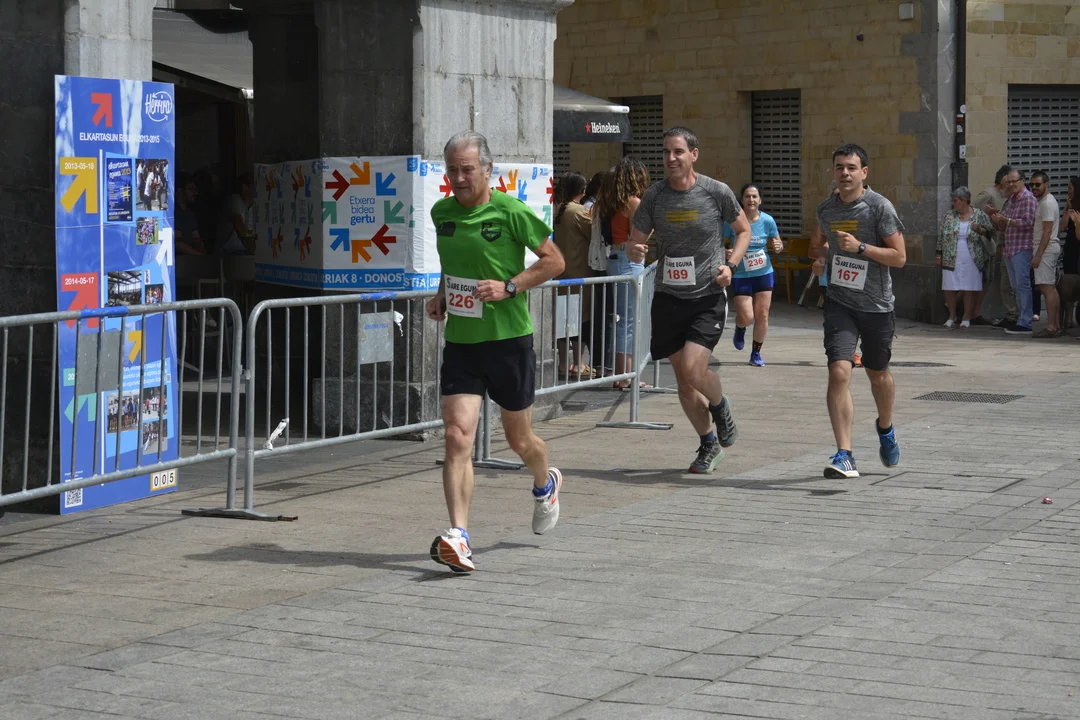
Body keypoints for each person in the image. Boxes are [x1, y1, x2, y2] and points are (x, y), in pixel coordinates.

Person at [425, 131, 566, 574]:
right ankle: (459, 536)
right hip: (462, 343)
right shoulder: (442, 212)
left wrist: (510, 286)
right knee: (456, 436)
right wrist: (443, 292)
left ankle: (545, 483)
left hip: (508, 342)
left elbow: (554, 261)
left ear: (487, 170)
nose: (459, 178)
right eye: (452, 170)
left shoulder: (510, 211)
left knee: (519, 440)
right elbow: (454, 262)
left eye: (467, 169)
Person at [627, 126, 751, 474]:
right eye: (666, 151)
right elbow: (635, 240)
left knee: (696, 370)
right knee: (683, 381)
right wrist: (634, 249)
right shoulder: (655, 196)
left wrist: (731, 266)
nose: (670, 158)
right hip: (668, 296)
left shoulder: (716, 191)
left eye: (678, 151)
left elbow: (743, 231)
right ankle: (708, 443)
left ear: (693, 154)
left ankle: (720, 404)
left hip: (706, 296)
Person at [810, 144, 905, 480]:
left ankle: (886, 428)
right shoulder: (826, 209)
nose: (845, 173)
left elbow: (900, 257)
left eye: (851, 167)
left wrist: (861, 247)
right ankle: (845, 454)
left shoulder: (879, 207)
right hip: (840, 302)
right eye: (839, 167)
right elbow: (819, 245)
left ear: (864, 172)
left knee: (878, 374)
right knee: (839, 371)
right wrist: (822, 257)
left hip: (877, 305)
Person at [594, 157, 652, 389]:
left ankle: (623, 373)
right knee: (629, 321)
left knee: (623, 320)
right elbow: (640, 234)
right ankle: (625, 375)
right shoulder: (633, 202)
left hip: (616, 258)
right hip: (629, 260)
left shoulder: (611, 202)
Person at [722, 183, 783, 366]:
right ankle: (740, 327)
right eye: (747, 196)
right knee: (747, 317)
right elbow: (718, 241)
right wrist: (725, 252)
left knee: (762, 315)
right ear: (742, 200)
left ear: (760, 200)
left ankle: (756, 353)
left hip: (764, 272)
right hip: (741, 274)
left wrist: (778, 246)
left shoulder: (768, 221)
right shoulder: (733, 221)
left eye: (754, 196)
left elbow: (777, 242)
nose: (751, 200)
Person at [552, 171, 595, 377]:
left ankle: (563, 364)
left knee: (563, 320)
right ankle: (579, 364)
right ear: (582, 190)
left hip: (561, 273)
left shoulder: (558, 209)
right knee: (580, 319)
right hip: (579, 272)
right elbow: (594, 234)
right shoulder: (578, 212)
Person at [986, 167, 1037, 334]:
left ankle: (1025, 322)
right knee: (1015, 287)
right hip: (1010, 248)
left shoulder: (1028, 199)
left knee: (1022, 286)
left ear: (1022, 181)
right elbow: (1003, 225)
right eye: (1008, 182)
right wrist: (995, 217)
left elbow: (1027, 222)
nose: (1010, 185)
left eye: (1014, 181)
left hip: (1022, 248)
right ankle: (1020, 319)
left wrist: (1006, 220)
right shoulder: (1011, 200)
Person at [936, 186, 992, 328]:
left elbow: (991, 233)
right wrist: (938, 255)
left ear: (965, 200)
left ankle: (966, 317)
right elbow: (941, 236)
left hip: (972, 257)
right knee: (949, 286)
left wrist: (980, 229)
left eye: (955, 201)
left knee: (968, 287)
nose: (953, 203)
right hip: (950, 255)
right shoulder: (949, 216)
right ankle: (952, 316)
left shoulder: (979, 215)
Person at [974, 166, 1014, 326]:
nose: (1011, 183)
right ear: (1002, 179)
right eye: (1008, 179)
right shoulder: (989, 194)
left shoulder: (1008, 197)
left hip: (999, 245)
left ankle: (975, 313)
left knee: (989, 280)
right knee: (980, 280)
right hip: (985, 244)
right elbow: (971, 213)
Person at [1030, 171, 1062, 338]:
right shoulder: (1044, 202)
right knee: (1050, 287)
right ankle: (1055, 325)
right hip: (1047, 249)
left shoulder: (1047, 203)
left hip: (1046, 250)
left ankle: (1051, 327)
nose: (1034, 187)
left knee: (1046, 288)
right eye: (1032, 184)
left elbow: (1047, 231)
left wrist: (1038, 255)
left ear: (1046, 184)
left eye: (1038, 184)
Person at [221, 173, 256, 254]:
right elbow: (238, 224)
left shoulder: (251, 205)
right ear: (244, 187)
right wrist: (252, 249)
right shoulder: (233, 200)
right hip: (229, 254)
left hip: (244, 252)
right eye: (254, 184)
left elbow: (249, 231)